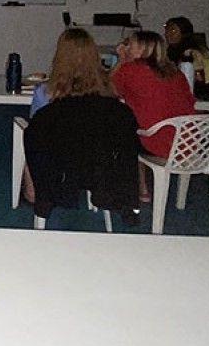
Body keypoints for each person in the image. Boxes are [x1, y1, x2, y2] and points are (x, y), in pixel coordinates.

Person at [24, 28, 141, 223]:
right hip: (100, 167)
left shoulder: (44, 93)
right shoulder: (109, 96)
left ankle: (36, 194)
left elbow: (38, 132)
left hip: (59, 169)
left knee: (30, 133)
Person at [111, 31, 196, 202]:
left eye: (130, 44)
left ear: (142, 48)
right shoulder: (176, 73)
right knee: (137, 127)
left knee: (123, 130)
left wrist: (121, 59)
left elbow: (109, 88)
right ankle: (143, 186)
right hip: (190, 143)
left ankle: (137, 188)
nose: (126, 47)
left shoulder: (131, 70)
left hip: (159, 143)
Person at [164, 16, 209, 89]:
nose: (167, 34)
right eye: (166, 30)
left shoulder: (192, 53)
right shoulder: (172, 51)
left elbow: (196, 78)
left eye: (173, 30)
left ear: (184, 33)